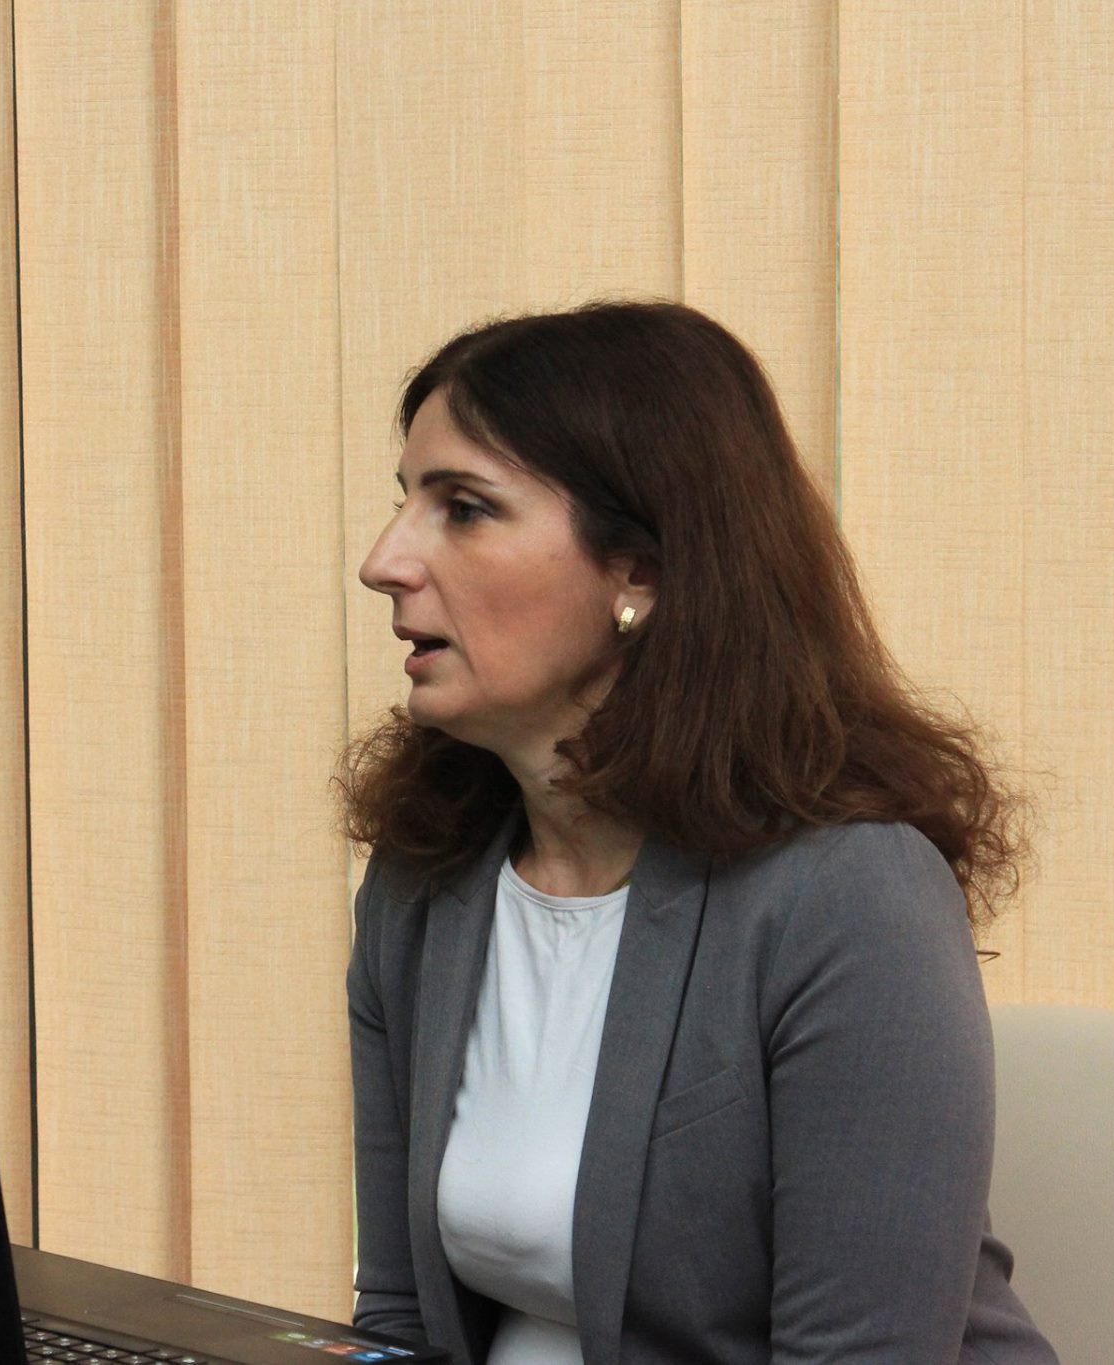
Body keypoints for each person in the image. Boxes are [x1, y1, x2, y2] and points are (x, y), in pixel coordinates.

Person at [338, 300, 1059, 1364]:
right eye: (405, 503)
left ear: (640, 571)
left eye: (465, 509)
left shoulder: (850, 896)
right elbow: (401, 1322)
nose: (383, 560)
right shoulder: (424, 879)